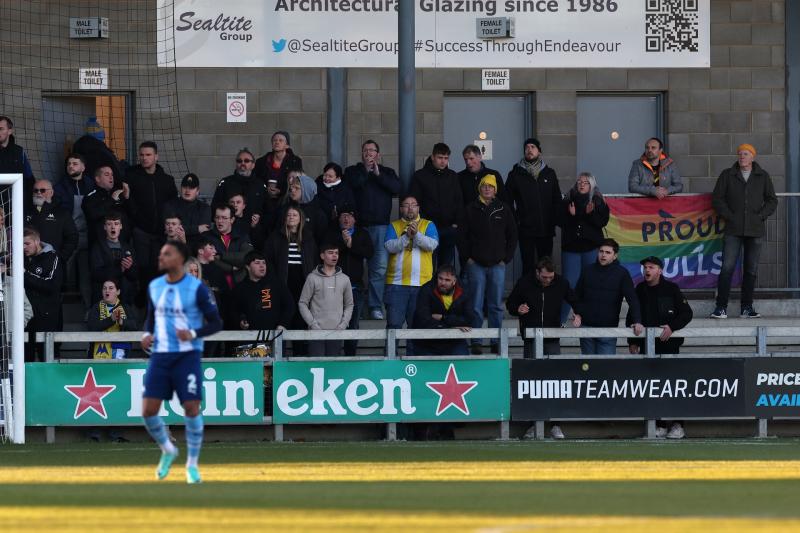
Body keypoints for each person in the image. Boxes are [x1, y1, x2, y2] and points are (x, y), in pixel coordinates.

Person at [140, 240, 222, 484]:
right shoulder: (155, 286)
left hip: (187, 356)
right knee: (148, 411)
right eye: (161, 253)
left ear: (180, 259)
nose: (161, 257)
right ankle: (168, 449)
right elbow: (150, 319)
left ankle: (192, 465)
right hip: (161, 355)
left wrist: (194, 334)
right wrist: (146, 335)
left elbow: (216, 323)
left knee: (191, 408)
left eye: (167, 254)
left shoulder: (196, 289)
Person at [627, 256, 693, 440]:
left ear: (660, 270)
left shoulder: (671, 289)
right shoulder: (640, 289)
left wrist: (672, 327)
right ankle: (660, 424)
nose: (647, 270)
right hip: (647, 347)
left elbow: (687, 313)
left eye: (651, 267)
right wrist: (631, 341)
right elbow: (633, 315)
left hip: (669, 346)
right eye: (645, 267)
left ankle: (678, 425)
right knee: (653, 387)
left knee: (673, 386)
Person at [710, 143, 778, 319]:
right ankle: (721, 308)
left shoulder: (762, 176)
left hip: (755, 230)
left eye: (746, 154)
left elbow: (772, 200)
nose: (742, 157)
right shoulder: (727, 174)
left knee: (751, 270)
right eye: (740, 154)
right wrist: (730, 216)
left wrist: (760, 216)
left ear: (753, 157)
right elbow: (717, 199)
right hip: (733, 229)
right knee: (727, 268)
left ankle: (746, 308)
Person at [457, 174, 517, 354]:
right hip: (476, 265)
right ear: (480, 188)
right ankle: (476, 340)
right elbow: (462, 237)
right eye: (484, 186)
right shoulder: (470, 209)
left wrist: (506, 258)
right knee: (475, 304)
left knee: (496, 305)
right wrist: (467, 257)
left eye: (491, 186)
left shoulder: (503, 209)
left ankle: (495, 340)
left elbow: (513, 235)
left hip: (497, 265)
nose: (487, 189)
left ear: (495, 190)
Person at [344, 139, 401, 320]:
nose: (369, 153)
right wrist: (367, 172)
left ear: (378, 154)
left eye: (372, 150)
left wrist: (378, 175)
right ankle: (355, 307)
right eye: (366, 150)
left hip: (380, 227)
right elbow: (353, 185)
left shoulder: (387, 172)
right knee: (355, 267)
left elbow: (397, 189)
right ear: (362, 154)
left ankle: (375, 306)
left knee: (379, 268)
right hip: (359, 227)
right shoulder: (353, 171)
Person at [124, 141, 178, 306]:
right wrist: (137, 220)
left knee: (159, 267)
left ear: (156, 156)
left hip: (161, 233)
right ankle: (143, 301)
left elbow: (173, 204)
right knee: (142, 267)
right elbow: (129, 203)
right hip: (141, 231)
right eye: (141, 155)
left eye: (148, 155)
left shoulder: (167, 180)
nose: (144, 158)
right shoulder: (131, 177)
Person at [384, 196, 439, 355]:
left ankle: (413, 361)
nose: (410, 208)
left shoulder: (428, 224)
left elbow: (432, 245)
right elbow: (390, 247)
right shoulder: (393, 226)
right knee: (394, 325)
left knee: (416, 326)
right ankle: (389, 360)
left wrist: (416, 235)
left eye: (413, 205)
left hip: (422, 284)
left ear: (418, 208)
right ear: (401, 208)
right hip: (396, 284)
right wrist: (406, 236)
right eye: (406, 205)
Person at [573, 239, 643, 355]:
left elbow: (632, 299)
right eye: (601, 251)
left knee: (605, 370)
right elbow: (576, 296)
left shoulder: (622, 273)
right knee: (587, 368)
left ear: (615, 256)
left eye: (607, 252)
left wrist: (637, 321)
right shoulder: (587, 270)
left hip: (608, 330)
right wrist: (578, 313)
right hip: (586, 327)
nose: (603, 255)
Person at [264, 206, 318, 355]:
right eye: (289, 215)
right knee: (283, 319)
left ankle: (299, 356)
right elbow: (268, 261)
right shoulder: (275, 237)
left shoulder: (308, 237)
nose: (291, 217)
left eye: (294, 215)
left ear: (300, 218)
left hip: (303, 284)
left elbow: (313, 261)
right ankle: (278, 355)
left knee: (300, 321)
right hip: (283, 284)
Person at [558, 173, 610, 323]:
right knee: (569, 284)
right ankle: (560, 321)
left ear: (592, 185)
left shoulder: (598, 201)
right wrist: (572, 215)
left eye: (586, 182)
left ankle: (588, 320)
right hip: (571, 249)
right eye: (579, 182)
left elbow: (602, 222)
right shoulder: (567, 200)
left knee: (591, 283)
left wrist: (590, 214)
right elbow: (560, 221)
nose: (582, 184)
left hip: (591, 248)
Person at [505, 138, 562, 275]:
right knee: (528, 265)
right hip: (526, 229)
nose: (529, 150)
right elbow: (507, 200)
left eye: (533, 147)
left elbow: (557, 199)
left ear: (539, 152)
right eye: (526, 148)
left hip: (546, 229)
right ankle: (528, 295)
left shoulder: (550, 173)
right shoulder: (515, 174)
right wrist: (516, 220)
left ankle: (546, 294)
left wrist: (554, 220)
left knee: (546, 264)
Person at [507, 257, 580, 358]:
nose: (548, 280)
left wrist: (578, 314)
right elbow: (510, 303)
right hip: (530, 336)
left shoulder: (561, 283)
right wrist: (518, 309)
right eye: (544, 277)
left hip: (552, 335)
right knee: (530, 370)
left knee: (553, 370)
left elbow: (575, 300)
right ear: (537, 272)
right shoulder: (524, 282)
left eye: (551, 277)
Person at [324, 206, 373, 355]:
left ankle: (350, 357)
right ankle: (333, 356)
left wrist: (352, 244)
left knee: (353, 324)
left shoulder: (362, 234)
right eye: (343, 216)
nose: (346, 219)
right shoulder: (331, 234)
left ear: (355, 219)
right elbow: (326, 253)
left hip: (355, 288)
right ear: (338, 219)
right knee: (334, 323)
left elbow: (369, 252)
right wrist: (343, 243)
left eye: (350, 216)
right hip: (333, 287)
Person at [409, 143, 462, 269]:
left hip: (449, 229)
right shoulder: (420, 176)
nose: (443, 161)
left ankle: (442, 289)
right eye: (440, 157)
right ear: (432, 157)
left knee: (445, 267)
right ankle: (430, 289)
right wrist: (422, 223)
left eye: (446, 158)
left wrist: (456, 224)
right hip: (427, 230)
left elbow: (459, 201)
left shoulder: (453, 176)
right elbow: (415, 201)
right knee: (428, 267)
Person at [54, 153, 95, 307]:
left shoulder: (91, 185)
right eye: (69, 164)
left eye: (75, 163)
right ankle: (62, 308)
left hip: (87, 237)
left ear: (83, 167)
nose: (71, 166)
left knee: (85, 274)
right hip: (69, 237)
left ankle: (87, 308)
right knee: (65, 274)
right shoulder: (60, 187)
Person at [298, 244, 354, 357]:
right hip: (316, 332)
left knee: (333, 369)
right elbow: (302, 303)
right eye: (330, 252)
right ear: (322, 256)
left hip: (336, 332)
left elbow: (349, 304)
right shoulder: (312, 278)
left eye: (336, 253)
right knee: (317, 366)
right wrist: (313, 324)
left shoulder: (345, 279)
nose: (334, 256)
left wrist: (342, 325)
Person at [412, 264, 475, 356]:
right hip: (426, 342)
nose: (443, 283)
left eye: (447, 280)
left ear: (454, 281)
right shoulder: (426, 289)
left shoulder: (464, 291)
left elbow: (469, 320)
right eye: (440, 278)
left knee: (463, 365)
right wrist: (451, 327)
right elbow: (423, 320)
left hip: (454, 342)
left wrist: (443, 318)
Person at [23, 227, 63, 362]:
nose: (24, 248)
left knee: (46, 359)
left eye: (27, 244)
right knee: (25, 360)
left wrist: (24, 275)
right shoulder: (21, 259)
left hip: (46, 319)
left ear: (37, 241)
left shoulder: (52, 258)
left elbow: (51, 285)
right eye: (21, 244)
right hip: (27, 320)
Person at [233, 251, 295, 332]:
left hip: (275, 337)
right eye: (257, 263)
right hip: (250, 338)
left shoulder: (276, 283)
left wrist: (282, 325)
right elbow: (234, 311)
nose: (262, 266)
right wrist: (241, 321)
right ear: (248, 267)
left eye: (264, 263)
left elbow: (290, 305)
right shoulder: (240, 288)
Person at [25, 179, 79, 263]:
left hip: (53, 264)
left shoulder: (62, 213)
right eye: (36, 190)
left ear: (51, 193)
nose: (38, 193)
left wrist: (60, 258)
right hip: (28, 263)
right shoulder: (25, 211)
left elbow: (72, 237)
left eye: (42, 190)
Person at [89, 212, 136, 304]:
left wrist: (129, 268)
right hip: (103, 299)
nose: (113, 227)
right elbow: (95, 274)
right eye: (109, 224)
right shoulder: (97, 247)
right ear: (105, 227)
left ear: (121, 226)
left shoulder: (128, 248)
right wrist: (120, 269)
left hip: (124, 298)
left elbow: (134, 275)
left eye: (116, 224)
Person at [87, 279, 138, 359]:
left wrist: (122, 321)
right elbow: (92, 327)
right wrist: (111, 319)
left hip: (120, 351)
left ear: (118, 292)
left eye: (111, 288)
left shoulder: (125, 307)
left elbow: (135, 326)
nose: (107, 291)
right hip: (99, 351)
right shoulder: (96, 307)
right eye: (104, 288)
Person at [272, 174, 328, 247]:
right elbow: (276, 232)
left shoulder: (318, 213)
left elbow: (321, 240)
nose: (292, 190)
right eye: (292, 187)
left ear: (307, 190)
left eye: (297, 188)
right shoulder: (285, 209)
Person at [212, 149, 267, 220]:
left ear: (253, 165)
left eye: (246, 161)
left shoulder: (260, 185)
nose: (242, 163)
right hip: (230, 228)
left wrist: (258, 223)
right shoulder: (225, 183)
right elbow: (215, 207)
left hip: (253, 228)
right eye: (239, 161)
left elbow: (267, 210)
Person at [82, 165, 131, 244]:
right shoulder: (91, 196)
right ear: (97, 179)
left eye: (112, 174)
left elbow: (130, 215)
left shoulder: (118, 193)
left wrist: (127, 198)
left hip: (122, 244)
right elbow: (93, 214)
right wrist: (111, 200)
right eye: (107, 175)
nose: (111, 177)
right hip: (101, 246)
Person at [206, 205, 253, 287]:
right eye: (217, 217)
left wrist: (221, 256)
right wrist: (231, 268)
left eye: (224, 218)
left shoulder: (242, 236)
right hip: (216, 285)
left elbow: (248, 256)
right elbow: (210, 259)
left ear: (232, 220)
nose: (220, 221)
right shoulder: (207, 237)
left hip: (240, 285)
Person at [164, 173, 212, 248]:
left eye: (191, 188)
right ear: (181, 188)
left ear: (197, 191)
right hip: (175, 247)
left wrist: (182, 229)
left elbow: (205, 232)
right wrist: (197, 229)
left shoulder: (204, 208)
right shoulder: (170, 205)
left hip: (197, 249)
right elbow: (169, 229)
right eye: (185, 187)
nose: (187, 190)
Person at [254, 130, 302, 198]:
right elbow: (257, 181)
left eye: (280, 140)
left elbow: (298, 182)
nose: (277, 142)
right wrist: (265, 189)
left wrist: (281, 191)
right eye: (275, 140)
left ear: (287, 145)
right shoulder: (261, 161)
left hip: (287, 199)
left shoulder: (295, 161)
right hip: (265, 200)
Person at [0, 115, 34, 198]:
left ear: (10, 131)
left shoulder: (19, 152)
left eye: (1, 129)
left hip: (16, 203)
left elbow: (29, 178)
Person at [315, 162, 356, 231]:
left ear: (338, 177)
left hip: (339, 227)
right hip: (320, 225)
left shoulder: (345, 189)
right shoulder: (317, 186)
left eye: (330, 176)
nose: (326, 178)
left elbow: (351, 207)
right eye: (325, 175)